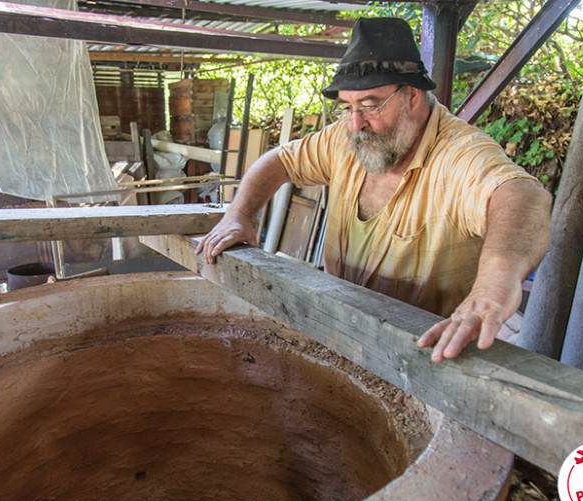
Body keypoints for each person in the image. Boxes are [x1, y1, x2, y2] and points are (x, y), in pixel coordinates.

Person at [195, 17, 552, 363]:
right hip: (341, 333)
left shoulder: (457, 154)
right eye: (347, 107)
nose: (355, 124)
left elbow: (522, 196)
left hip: (427, 356)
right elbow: (279, 161)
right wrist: (239, 215)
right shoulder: (345, 138)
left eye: (369, 106)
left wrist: (496, 280)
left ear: (412, 95)